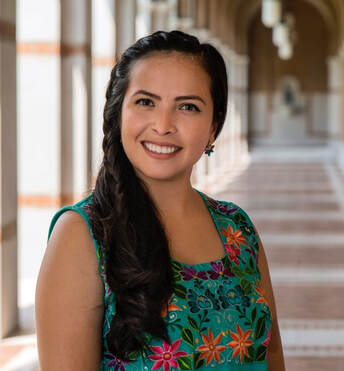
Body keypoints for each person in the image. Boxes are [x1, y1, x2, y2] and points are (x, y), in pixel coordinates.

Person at [35, 30, 285, 370]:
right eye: (145, 102)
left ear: (213, 127)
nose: (163, 125)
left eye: (187, 107)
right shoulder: (82, 235)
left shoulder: (237, 228)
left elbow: (270, 356)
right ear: (118, 112)